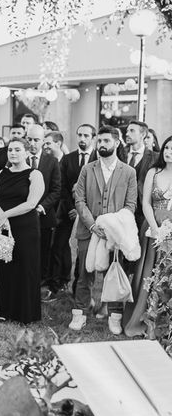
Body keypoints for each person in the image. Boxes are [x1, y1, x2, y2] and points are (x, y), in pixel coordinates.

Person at [69, 126, 138, 333]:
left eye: (106, 141)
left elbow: (130, 205)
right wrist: (92, 224)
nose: (101, 145)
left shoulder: (128, 172)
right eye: (99, 141)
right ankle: (79, 314)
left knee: (114, 273)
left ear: (117, 143)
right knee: (84, 274)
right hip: (88, 230)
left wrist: (111, 226)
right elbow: (79, 199)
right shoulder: (87, 169)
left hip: (114, 233)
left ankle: (115, 316)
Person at [0, 137, 45, 324]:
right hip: (4, 227)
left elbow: (31, 203)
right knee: (5, 268)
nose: (12, 153)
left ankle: (26, 314)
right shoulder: (1, 174)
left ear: (27, 152)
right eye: (10, 150)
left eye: (17, 150)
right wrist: (1, 217)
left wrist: (5, 215)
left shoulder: (34, 174)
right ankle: (5, 311)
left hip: (25, 228)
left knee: (25, 269)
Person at [124, 136, 172, 336]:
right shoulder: (154, 171)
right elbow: (145, 203)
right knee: (150, 274)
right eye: (167, 147)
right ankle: (146, 320)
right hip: (153, 227)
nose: (169, 151)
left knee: (167, 275)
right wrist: (155, 229)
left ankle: (164, 321)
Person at [45, 124, 97, 299]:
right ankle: (57, 282)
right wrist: (73, 207)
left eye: (86, 135)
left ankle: (78, 287)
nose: (82, 138)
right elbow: (62, 186)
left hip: (90, 212)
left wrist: (83, 209)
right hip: (67, 210)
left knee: (83, 251)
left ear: (93, 138)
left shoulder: (98, 158)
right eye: (79, 135)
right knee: (58, 246)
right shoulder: (68, 159)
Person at [26, 125, 61, 285]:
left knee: (43, 250)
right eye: (30, 139)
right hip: (22, 213)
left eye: (36, 140)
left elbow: (56, 189)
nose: (32, 143)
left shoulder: (52, 162)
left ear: (43, 141)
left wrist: (42, 207)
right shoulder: (19, 158)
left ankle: (40, 280)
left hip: (43, 215)